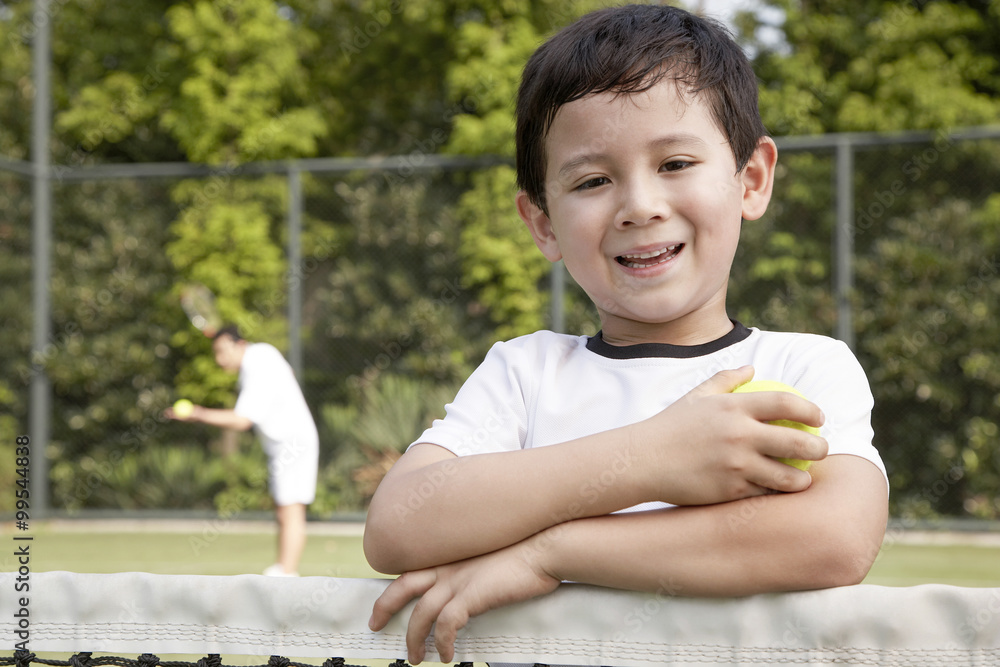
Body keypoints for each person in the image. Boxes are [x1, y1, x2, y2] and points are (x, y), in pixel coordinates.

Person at [363, 4, 889, 664]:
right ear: (544, 222)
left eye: (674, 163)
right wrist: (651, 455)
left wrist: (551, 552)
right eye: (592, 180)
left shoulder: (805, 364)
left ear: (751, 179)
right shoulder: (524, 373)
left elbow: (836, 537)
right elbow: (397, 524)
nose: (639, 205)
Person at [166, 325, 319, 577]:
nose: (219, 359)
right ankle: (284, 569)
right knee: (284, 508)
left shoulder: (255, 362)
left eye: (222, 351)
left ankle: (286, 573)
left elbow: (242, 421)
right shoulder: (264, 353)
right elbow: (287, 372)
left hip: (292, 443)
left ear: (240, 344)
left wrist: (198, 413)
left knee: (291, 509)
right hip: (287, 442)